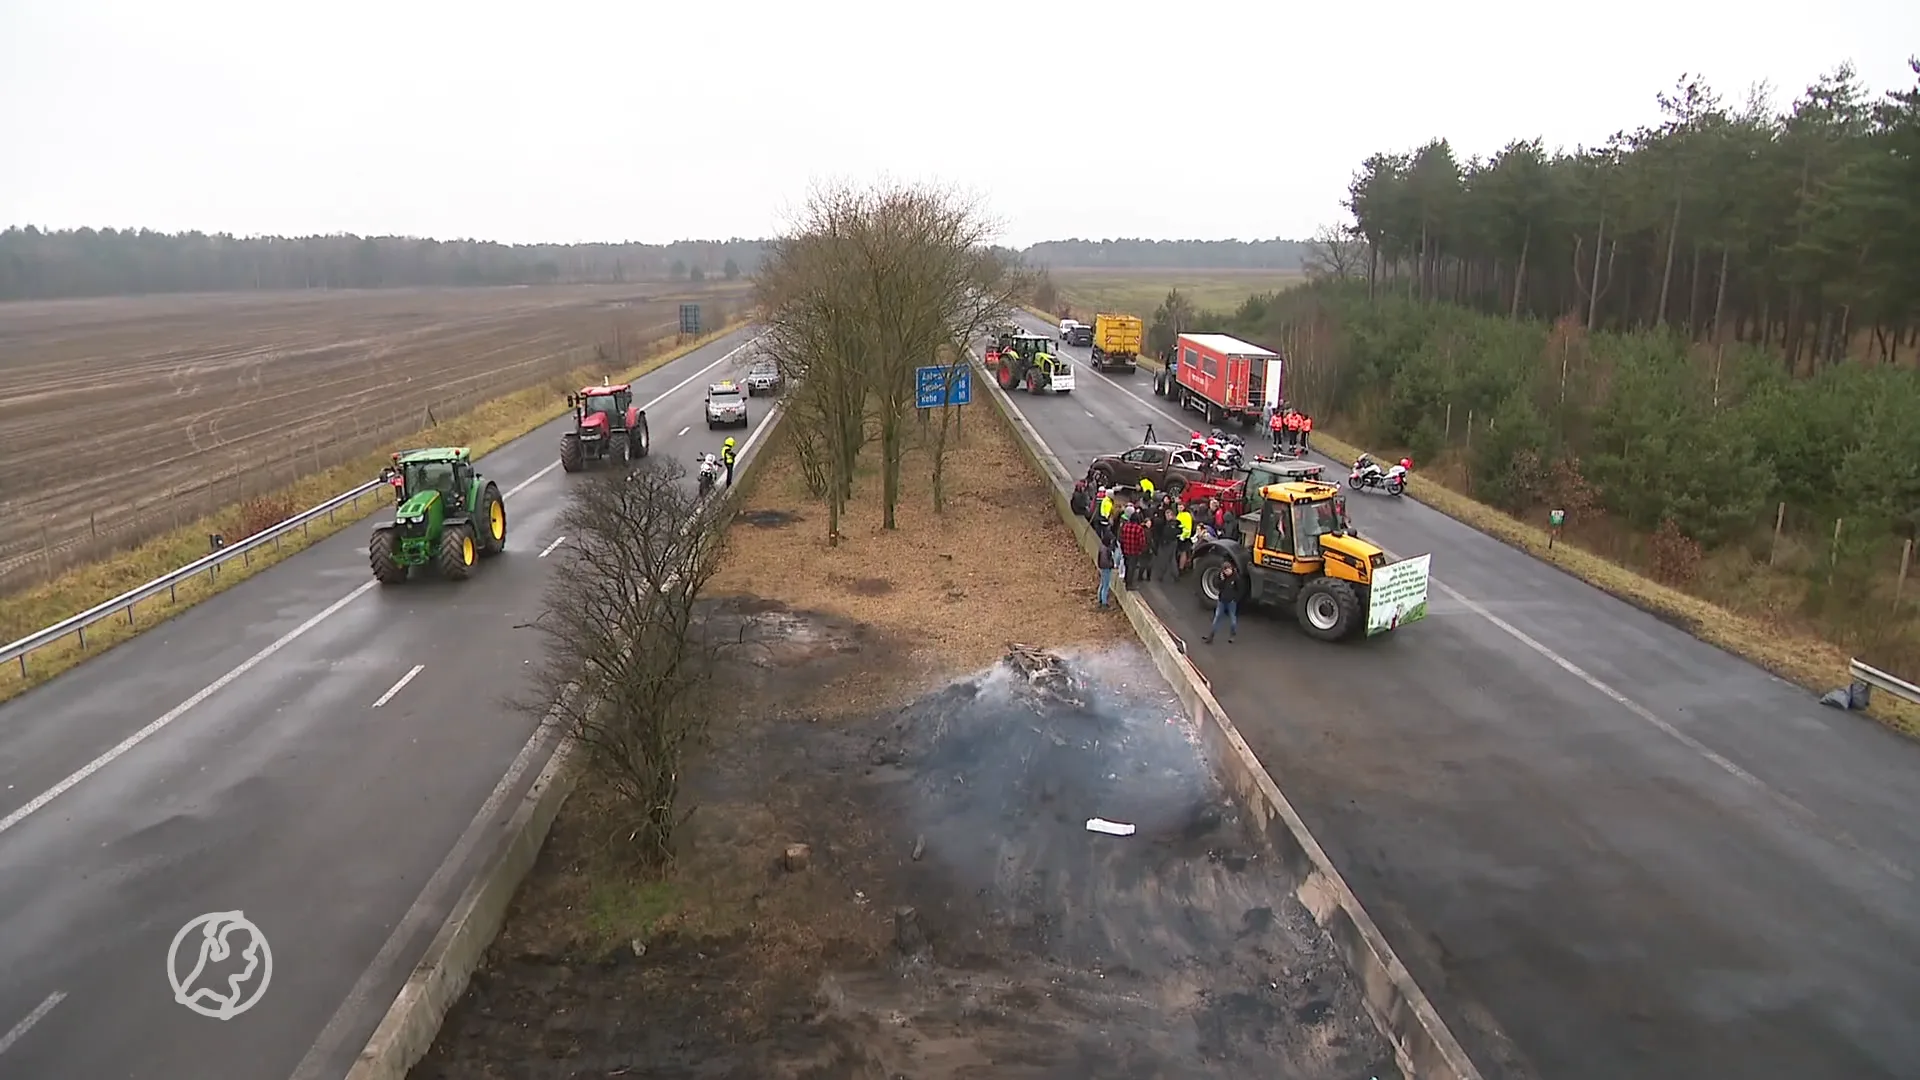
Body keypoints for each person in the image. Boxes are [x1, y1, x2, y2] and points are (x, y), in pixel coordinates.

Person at [1201, 557, 1242, 644]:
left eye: (1228, 571)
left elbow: (1240, 589)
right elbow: (1218, 586)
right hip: (1222, 601)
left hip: (1231, 602)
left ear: (1231, 569)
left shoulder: (1236, 577)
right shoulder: (1221, 576)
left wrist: (1235, 599)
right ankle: (1211, 636)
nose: (1227, 573)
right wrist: (1222, 580)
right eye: (1225, 571)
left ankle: (1232, 635)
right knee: (1217, 618)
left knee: (1233, 619)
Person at [1119, 508, 1150, 588]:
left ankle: (1125, 579)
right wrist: (1141, 550)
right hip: (1134, 551)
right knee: (1132, 568)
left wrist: (1123, 548)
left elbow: (1121, 538)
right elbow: (1142, 542)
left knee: (1127, 565)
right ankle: (1129, 585)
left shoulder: (1126, 526)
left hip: (1126, 549)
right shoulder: (1139, 529)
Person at [1095, 539, 1116, 609]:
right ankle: (1104, 602)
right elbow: (1106, 561)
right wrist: (1111, 565)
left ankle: (1100, 599)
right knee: (1106, 586)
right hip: (1106, 569)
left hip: (1102, 568)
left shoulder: (1101, 548)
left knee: (1102, 584)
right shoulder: (1107, 550)